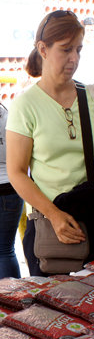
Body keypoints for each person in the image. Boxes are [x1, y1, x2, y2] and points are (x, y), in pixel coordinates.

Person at [6, 10, 94, 276]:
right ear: (43, 49)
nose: (74, 59)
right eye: (66, 49)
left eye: (79, 50)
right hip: (52, 227)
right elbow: (17, 172)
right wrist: (54, 215)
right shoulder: (26, 105)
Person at [0, 102, 23, 278]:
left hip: (10, 185)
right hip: (10, 186)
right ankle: (12, 301)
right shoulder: (5, 112)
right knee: (5, 250)